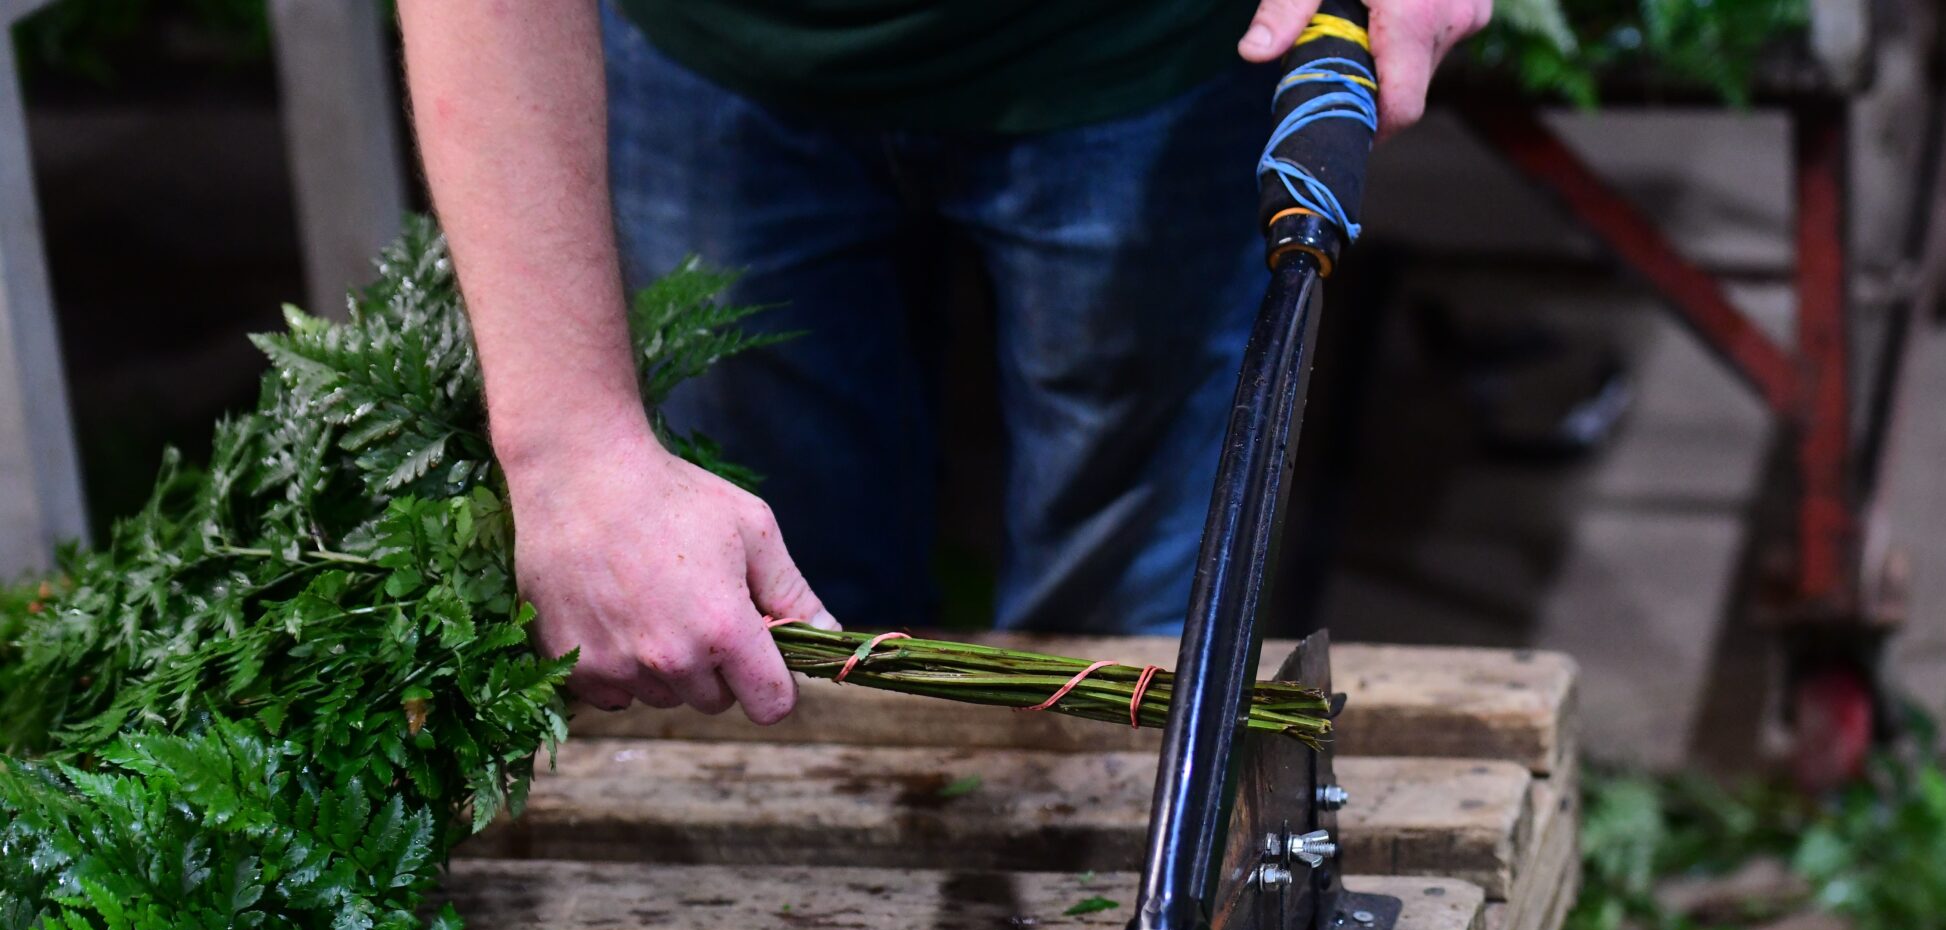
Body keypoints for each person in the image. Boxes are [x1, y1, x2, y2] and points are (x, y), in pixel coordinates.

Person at [395, 0, 1489, 724]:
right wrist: (573, 449)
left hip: (1148, 57)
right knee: (779, 601)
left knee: (1126, 602)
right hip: (717, 53)